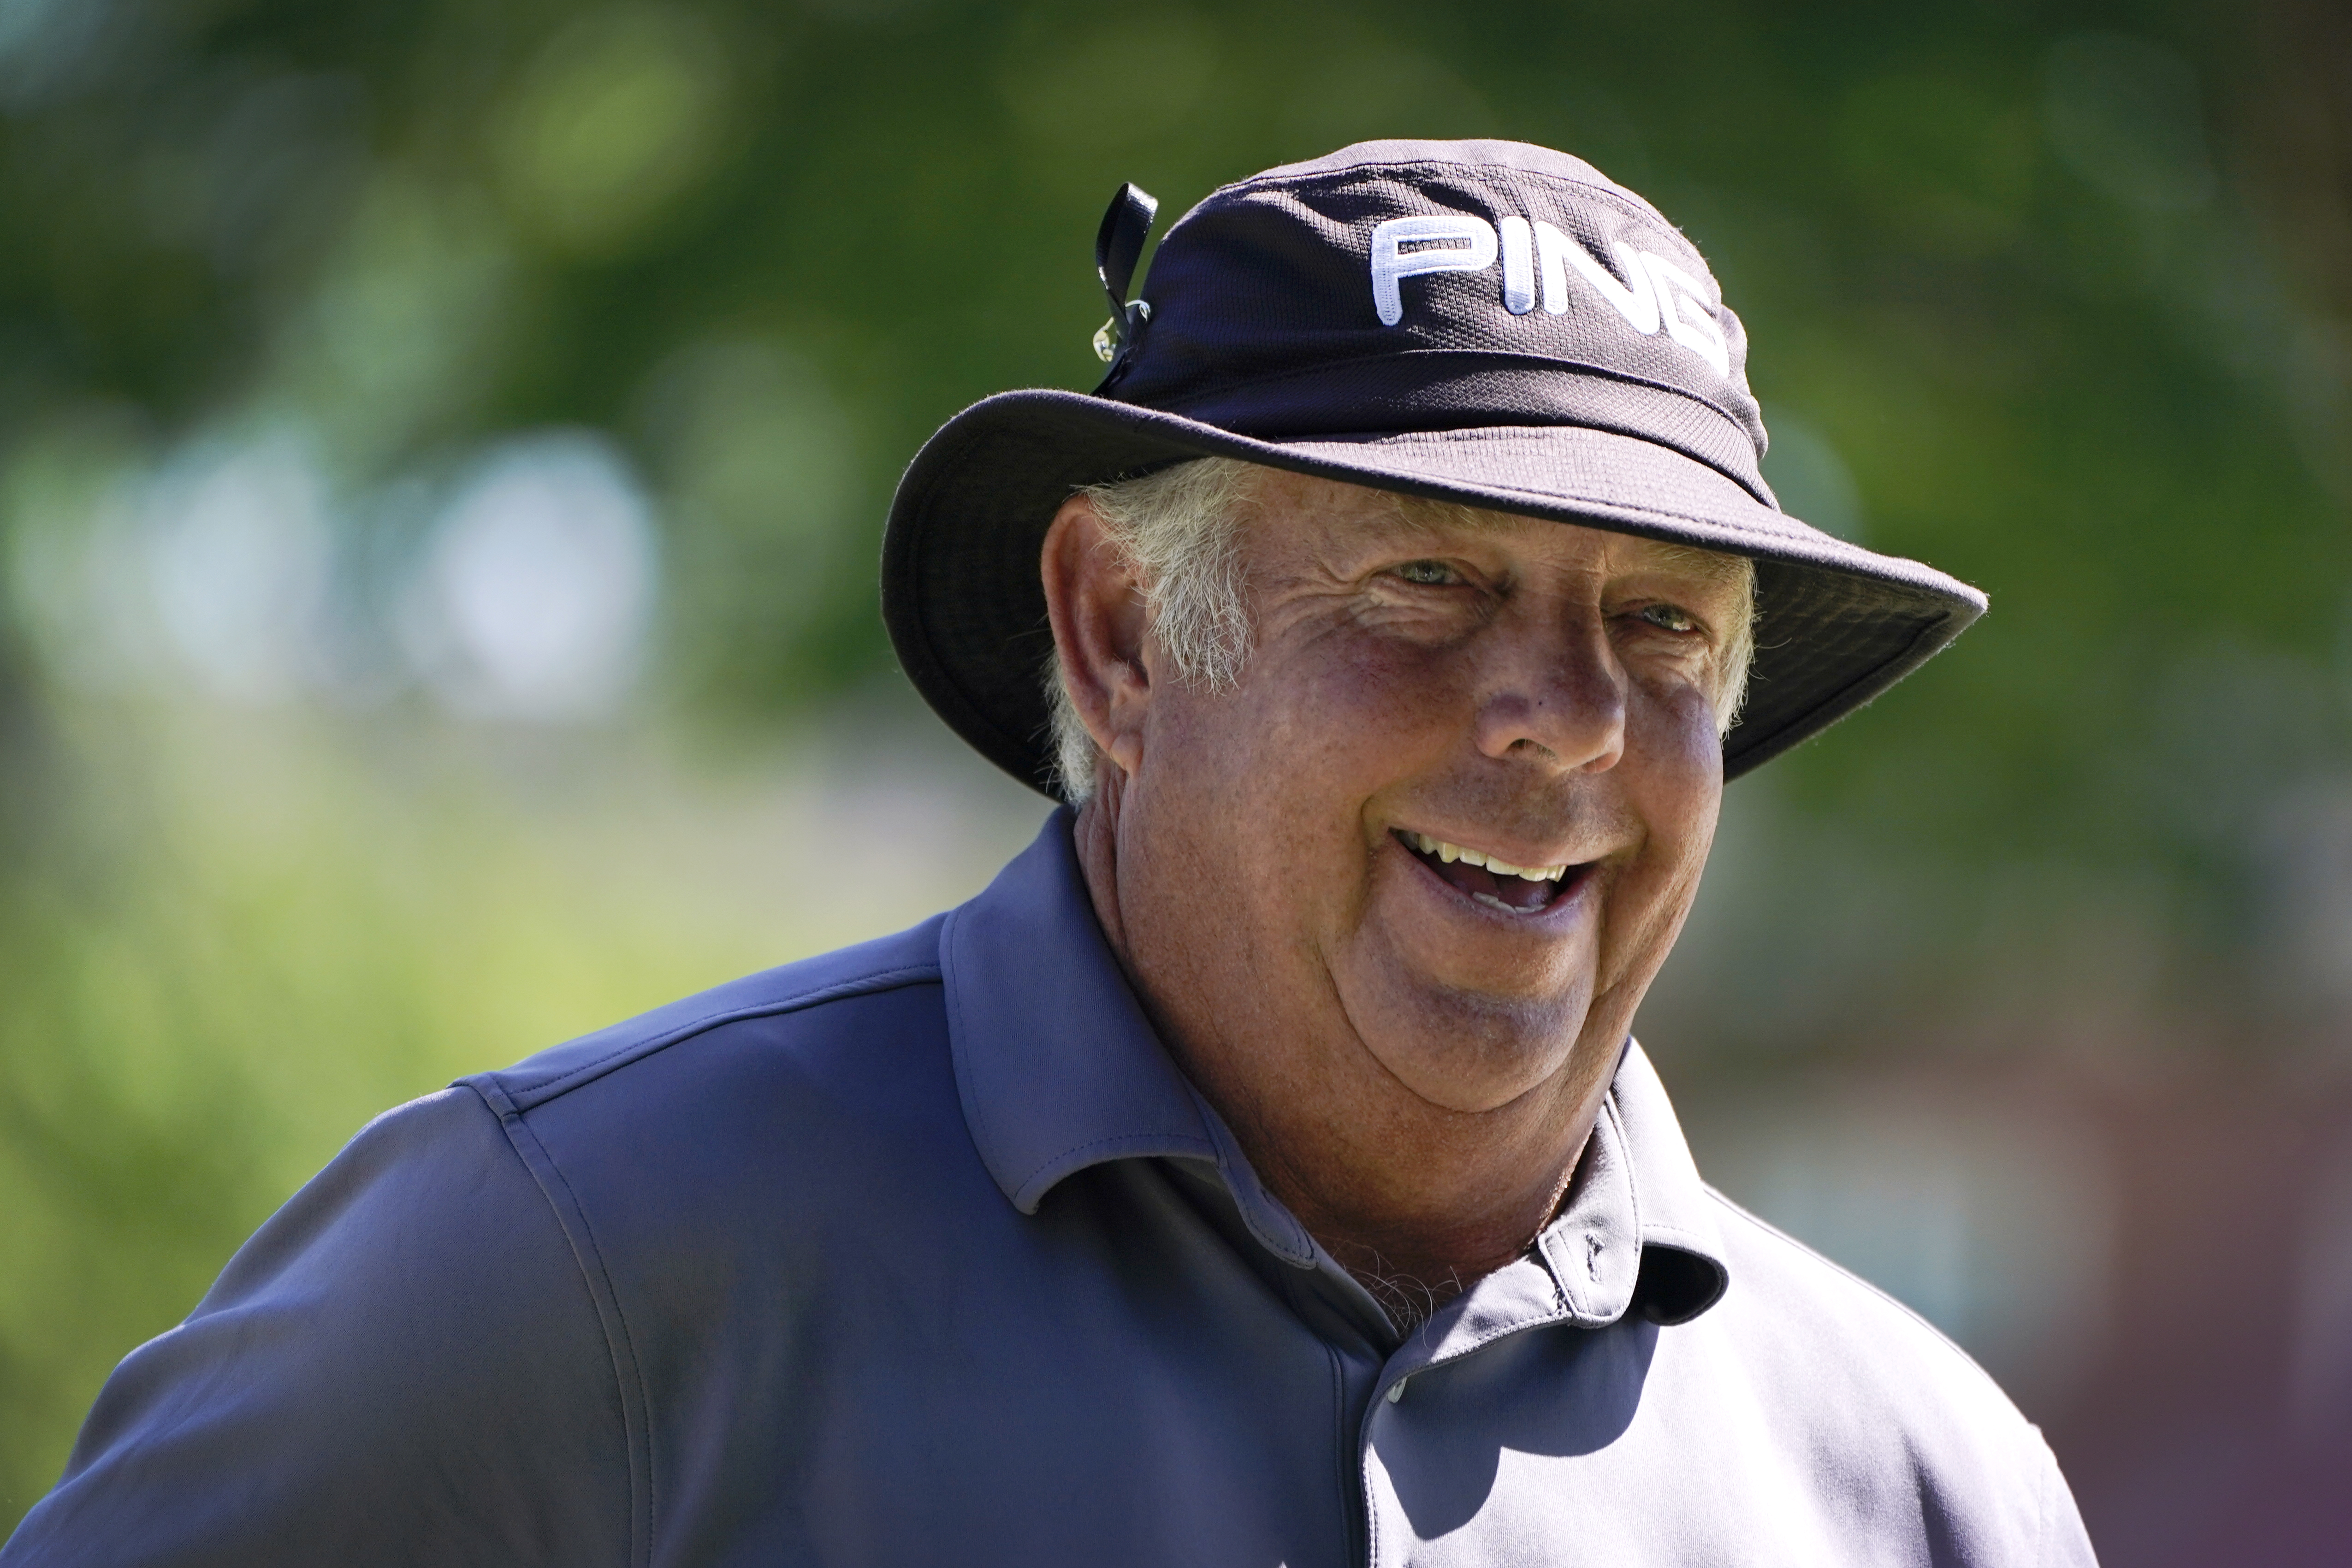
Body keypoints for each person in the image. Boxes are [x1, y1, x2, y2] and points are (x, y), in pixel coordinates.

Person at [0, 140, 2097, 1566]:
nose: (1563, 716)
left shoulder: (1922, 1489)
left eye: (1661, 627)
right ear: (1118, 637)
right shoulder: (572, 1271)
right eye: (1429, 584)